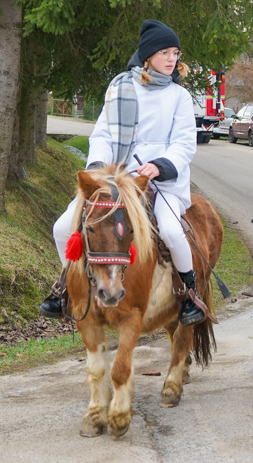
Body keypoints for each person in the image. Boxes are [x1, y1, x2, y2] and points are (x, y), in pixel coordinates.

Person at [40, 19, 207, 325]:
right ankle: (66, 288)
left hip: (160, 182)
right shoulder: (118, 88)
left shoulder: (179, 97)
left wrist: (159, 165)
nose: (172, 59)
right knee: (63, 227)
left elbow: (184, 144)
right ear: (148, 56)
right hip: (116, 179)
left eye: (176, 53)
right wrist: (98, 168)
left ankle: (188, 294)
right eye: (165, 53)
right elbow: (102, 134)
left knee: (171, 230)